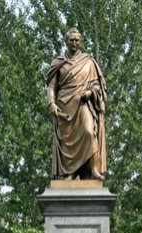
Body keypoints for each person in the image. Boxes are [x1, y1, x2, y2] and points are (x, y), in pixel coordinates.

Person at [46, 28, 107, 181]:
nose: (74, 43)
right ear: (66, 41)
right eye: (71, 40)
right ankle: (70, 173)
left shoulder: (89, 62)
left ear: (81, 41)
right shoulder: (58, 63)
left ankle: (93, 169)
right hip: (64, 107)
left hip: (82, 104)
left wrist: (90, 93)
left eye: (77, 40)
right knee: (68, 141)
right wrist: (51, 103)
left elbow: (98, 86)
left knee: (88, 131)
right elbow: (51, 86)